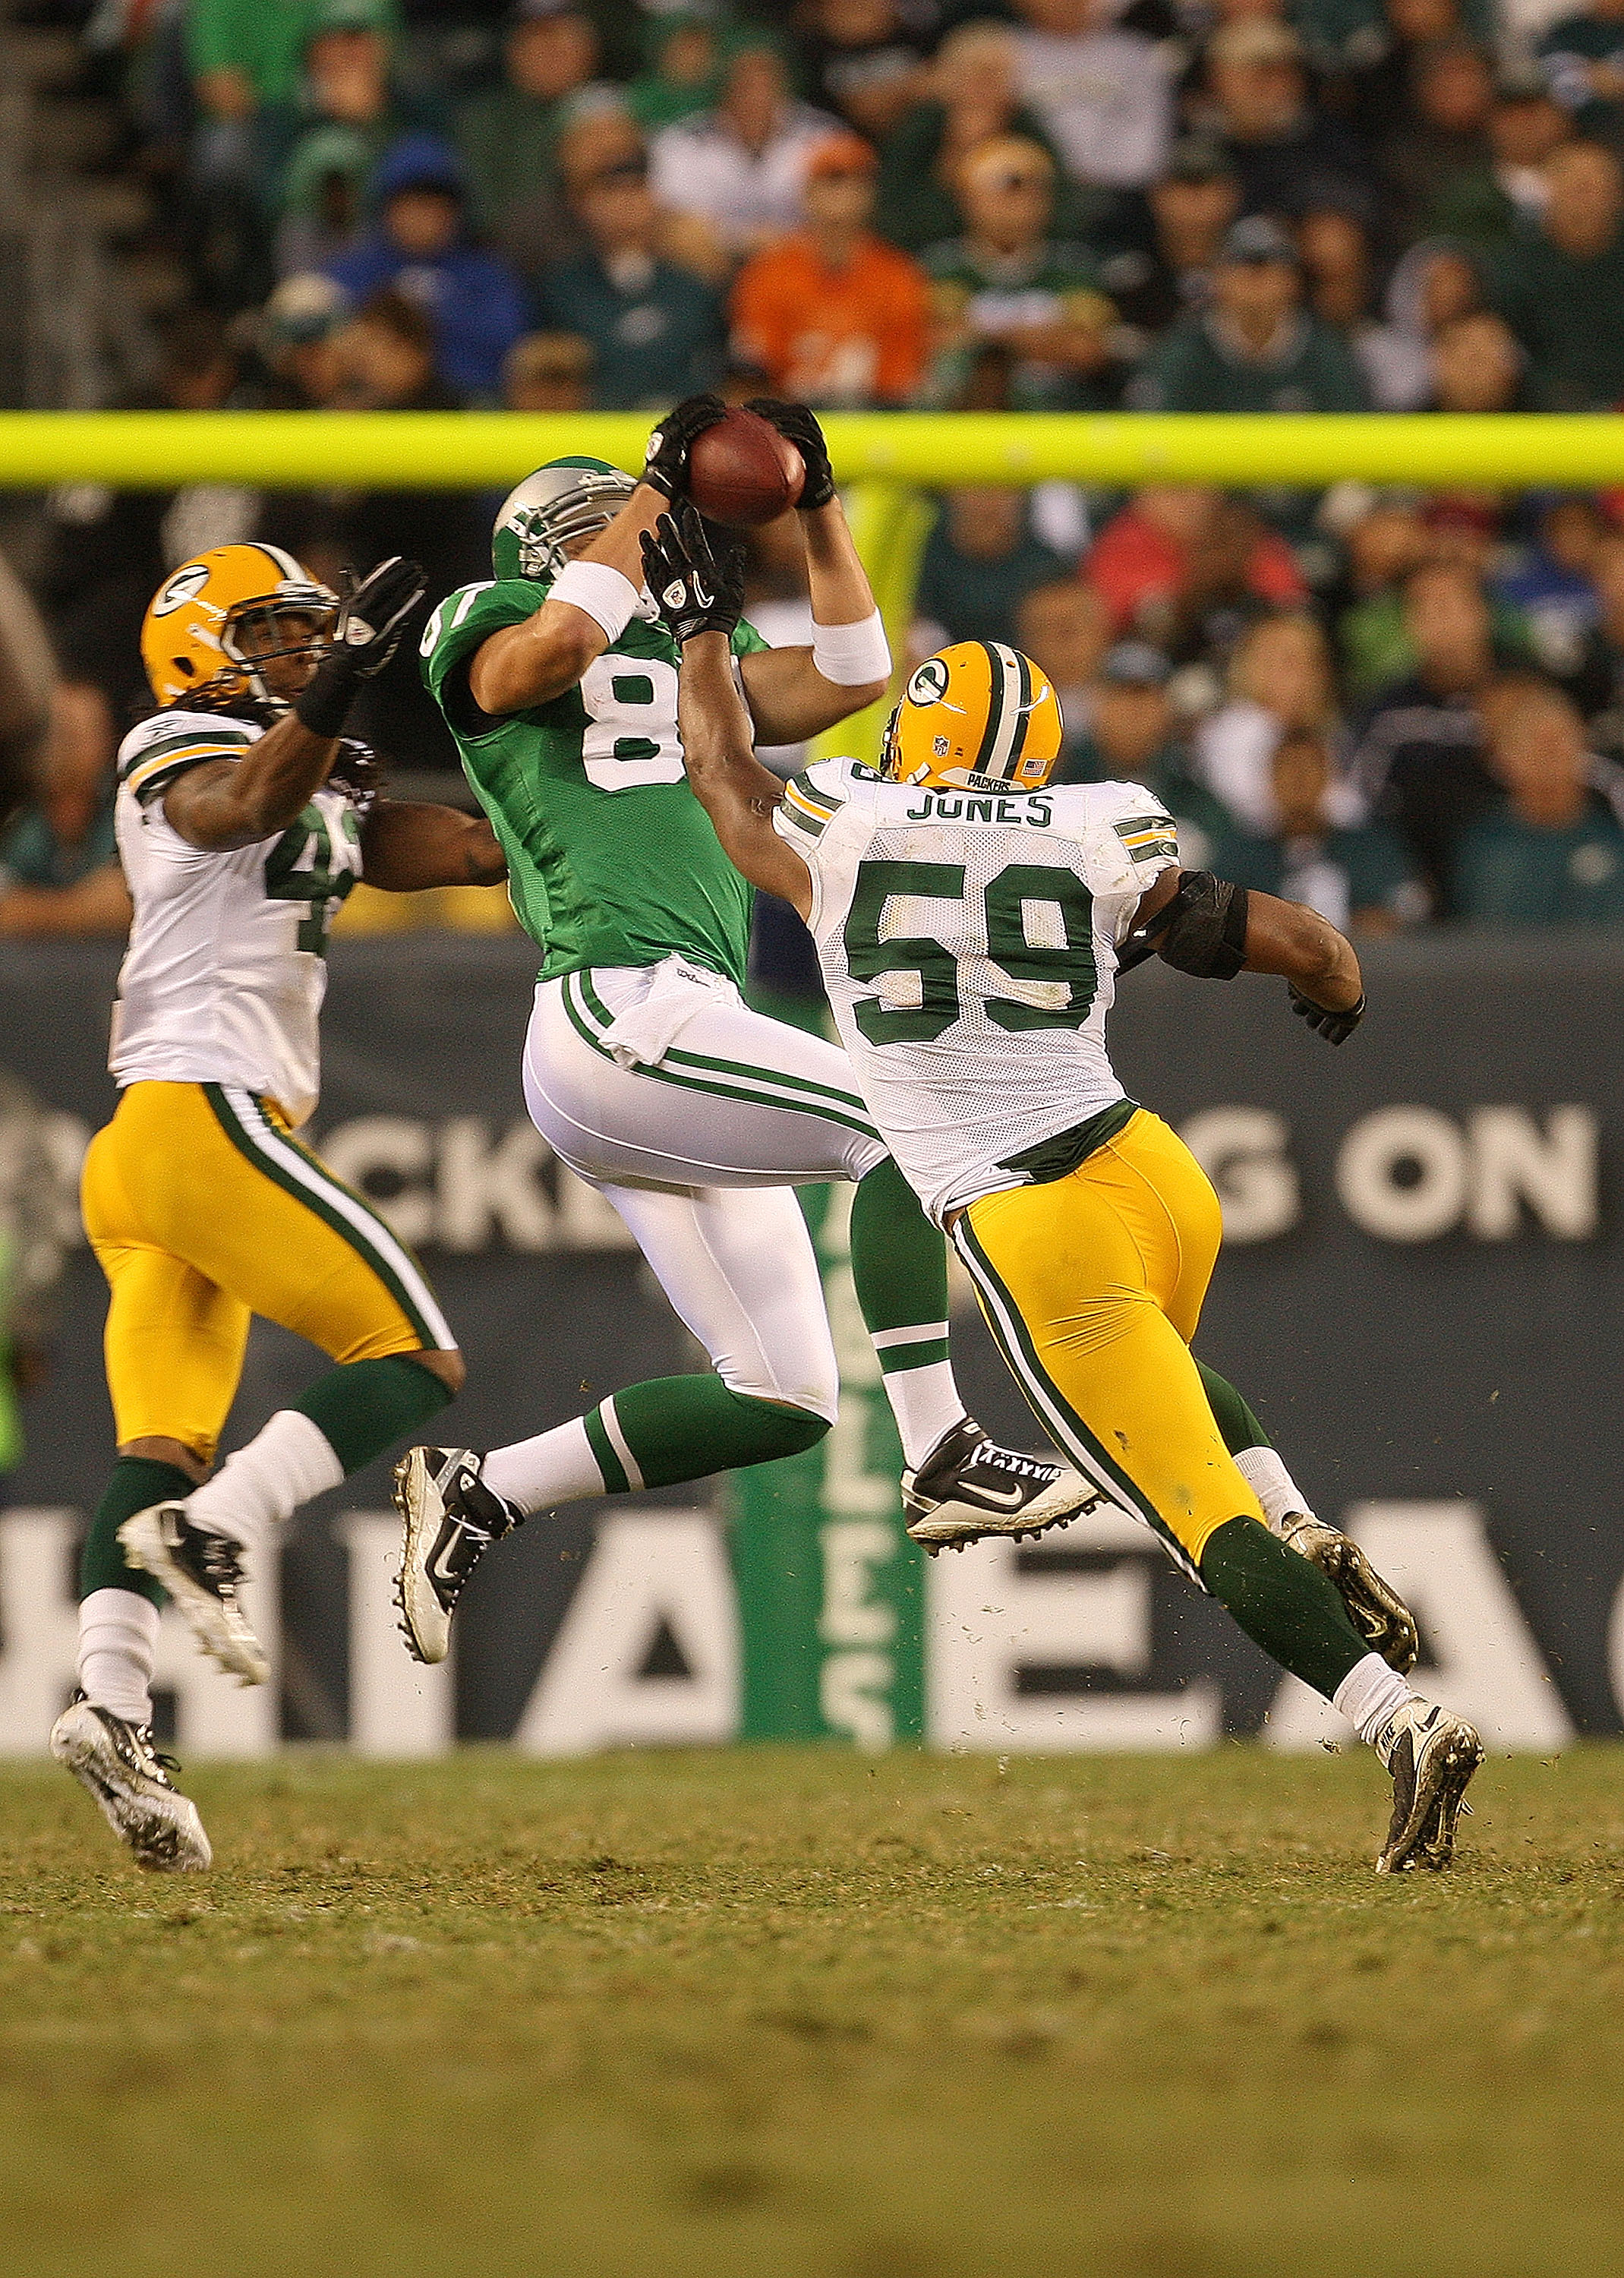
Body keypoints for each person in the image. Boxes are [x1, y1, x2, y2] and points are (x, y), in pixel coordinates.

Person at [652, 513, 1467, 1876]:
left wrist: (696, 637)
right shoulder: (1090, 820)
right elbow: (1227, 925)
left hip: (1029, 1215)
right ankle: (1300, 1518)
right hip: (1146, 1170)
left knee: (1185, 1512)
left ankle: (1399, 1722)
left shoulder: (848, 814)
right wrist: (1328, 963)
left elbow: (724, 777)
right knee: (1171, 1381)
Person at [397, 399, 1094, 1667]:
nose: (641, 539)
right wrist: (657, 497)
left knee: (778, 1398)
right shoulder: (486, 616)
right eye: (608, 523)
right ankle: (940, 1450)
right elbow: (534, 665)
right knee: (904, 1125)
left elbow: (847, 674)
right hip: (612, 1003)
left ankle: (480, 1488)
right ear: (551, 542)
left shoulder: (671, 663)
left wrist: (819, 506)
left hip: (676, 1024)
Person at [51, 544, 508, 1873]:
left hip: (161, 1148)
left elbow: (459, 845)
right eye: (274, 630)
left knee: (163, 1447)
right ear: (200, 648)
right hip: (200, 1119)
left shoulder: (318, 769)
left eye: (312, 633)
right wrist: (343, 687)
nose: (305, 649)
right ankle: (223, 1535)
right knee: (414, 1355)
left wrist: (554, 804)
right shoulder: (183, 744)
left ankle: (113, 1708)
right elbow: (232, 806)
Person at [730, 131, 930, 409]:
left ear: (871, 195)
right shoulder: (768, 273)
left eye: (854, 181)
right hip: (787, 422)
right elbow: (756, 370)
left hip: (871, 425)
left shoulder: (898, 275)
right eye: (832, 181)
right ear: (808, 193)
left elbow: (899, 379)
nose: (842, 194)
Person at [921, 137, 1121, 412]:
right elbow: (932, 342)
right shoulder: (943, 267)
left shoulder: (1071, 267)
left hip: (1055, 414)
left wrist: (985, 337)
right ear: (969, 198)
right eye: (1005, 192)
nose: (1018, 206)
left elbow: (1088, 350)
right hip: (965, 414)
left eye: (1033, 192)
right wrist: (1039, 339)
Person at [325, 136, 528, 401]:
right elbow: (325, 347)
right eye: (407, 204)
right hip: (371, 413)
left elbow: (505, 345)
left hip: (466, 411)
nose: (419, 217)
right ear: (385, 210)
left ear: (455, 212)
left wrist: (418, 342)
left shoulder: (488, 277)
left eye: (431, 205)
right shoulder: (353, 271)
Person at [535, 150, 727, 409]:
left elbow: (716, 372)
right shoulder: (561, 291)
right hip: (597, 434)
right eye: (611, 192)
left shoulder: (693, 290)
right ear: (584, 206)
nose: (627, 202)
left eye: (637, 190)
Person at [1134, 216, 1369, 416]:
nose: (1255, 281)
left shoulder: (1326, 353)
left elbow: (1355, 443)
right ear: (1218, 278)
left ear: (1292, 281)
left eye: (1268, 267)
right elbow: (1149, 440)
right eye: (1242, 266)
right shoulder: (1182, 352)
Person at [1207, 727, 1427, 930]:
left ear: (1328, 775)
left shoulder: (1369, 847)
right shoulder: (1240, 854)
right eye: (1287, 768)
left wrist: (1385, 918)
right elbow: (1213, 915)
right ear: (1270, 778)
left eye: (1308, 768)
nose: (1298, 780)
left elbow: (1410, 902)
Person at [648, 38, 842, 260]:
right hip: (718, 262)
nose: (756, 94)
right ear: (724, 86)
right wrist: (744, 240)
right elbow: (675, 220)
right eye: (745, 83)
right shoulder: (682, 141)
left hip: (805, 259)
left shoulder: (825, 135)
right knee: (683, 234)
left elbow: (843, 209)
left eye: (766, 81)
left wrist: (783, 245)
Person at [1452, 682, 1624, 923]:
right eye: (1535, 743)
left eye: (1561, 742)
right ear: (1505, 758)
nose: (1550, 757)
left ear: (1585, 748)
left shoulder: (1614, 844)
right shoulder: (1485, 849)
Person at [1487, 139, 1624, 409]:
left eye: (1594, 187)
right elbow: (1510, 354)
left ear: (1616, 195)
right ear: (1550, 189)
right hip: (1541, 417)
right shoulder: (1515, 267)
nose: (1584, 199)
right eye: (1575, 186)